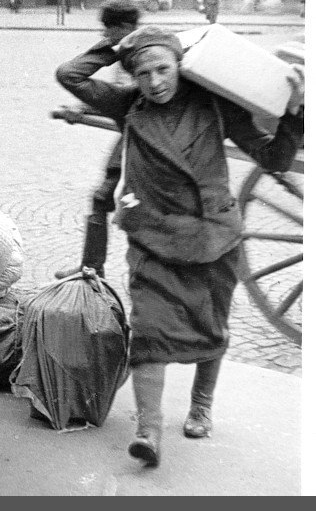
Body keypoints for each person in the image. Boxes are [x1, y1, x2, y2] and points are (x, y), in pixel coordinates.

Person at [56, 26, 304, 468]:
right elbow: (70, 75)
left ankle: (201, 405)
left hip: (213, 234)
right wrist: (116, 48)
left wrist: (294, 113)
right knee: (149, 329)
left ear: (181, 65)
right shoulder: (126, 104)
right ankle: (148, 429)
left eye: (163, 69)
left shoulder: (214, 101)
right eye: (143, 73)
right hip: (153, 234)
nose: (154, 82)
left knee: (211, 324)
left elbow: (276, 160)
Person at [54, 0, 142, 280]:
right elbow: (121, 97)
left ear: (126, 27)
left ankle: (97, 267)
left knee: (122, 204)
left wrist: (116, 47)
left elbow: (70, 74)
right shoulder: (129, 56)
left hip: (143, 143)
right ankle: (91, 266)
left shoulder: (140, 55)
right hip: (131, 136)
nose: (105, 37)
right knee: (102, 198)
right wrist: (83, 109)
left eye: (109, 30)